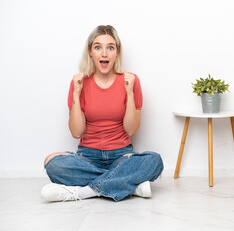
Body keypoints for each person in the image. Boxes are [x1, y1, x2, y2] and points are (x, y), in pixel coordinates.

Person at [40, 25, 164, 202]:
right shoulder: (79, 82)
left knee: (154, 160)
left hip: (121, 155)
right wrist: (76, 92)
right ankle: (129, 185)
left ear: (117, 52)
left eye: (110, 47)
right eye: (98, 47)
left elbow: (131, 130)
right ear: (90, 52)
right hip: (87, 157)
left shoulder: (130, 81)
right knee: (52, 163)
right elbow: (76, 132)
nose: (104, 53)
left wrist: (129, 93)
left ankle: (82, 192)